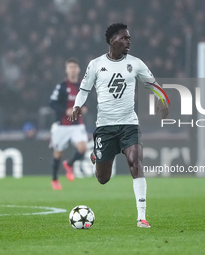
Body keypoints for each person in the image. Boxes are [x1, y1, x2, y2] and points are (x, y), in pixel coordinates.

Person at [69, 23, 168, 228]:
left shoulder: (135, 63)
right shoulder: (96, 64)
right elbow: (84, 89)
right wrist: (77, 105)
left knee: (136, 163)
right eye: (124, 38)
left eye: (129, 38)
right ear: (112, 40)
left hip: (129, 124)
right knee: (102, 178)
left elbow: (154, 84)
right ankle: (97, 156)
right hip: (105, 128)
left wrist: (162, 98)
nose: (128, 42)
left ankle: (141, 217)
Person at [49, 58, 88, 190]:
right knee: (58, 154)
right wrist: (65, 110)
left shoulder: (83, 86)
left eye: (74, 67)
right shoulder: (61, 86)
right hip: (62, 125)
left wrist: (84, 108)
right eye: (70, 67)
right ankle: (54, 179)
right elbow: (52, 103)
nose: (72, 69)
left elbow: (89, 101)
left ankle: (70, 164)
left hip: (77, 124)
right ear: (66, 70)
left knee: (83, 148)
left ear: (78, 69)